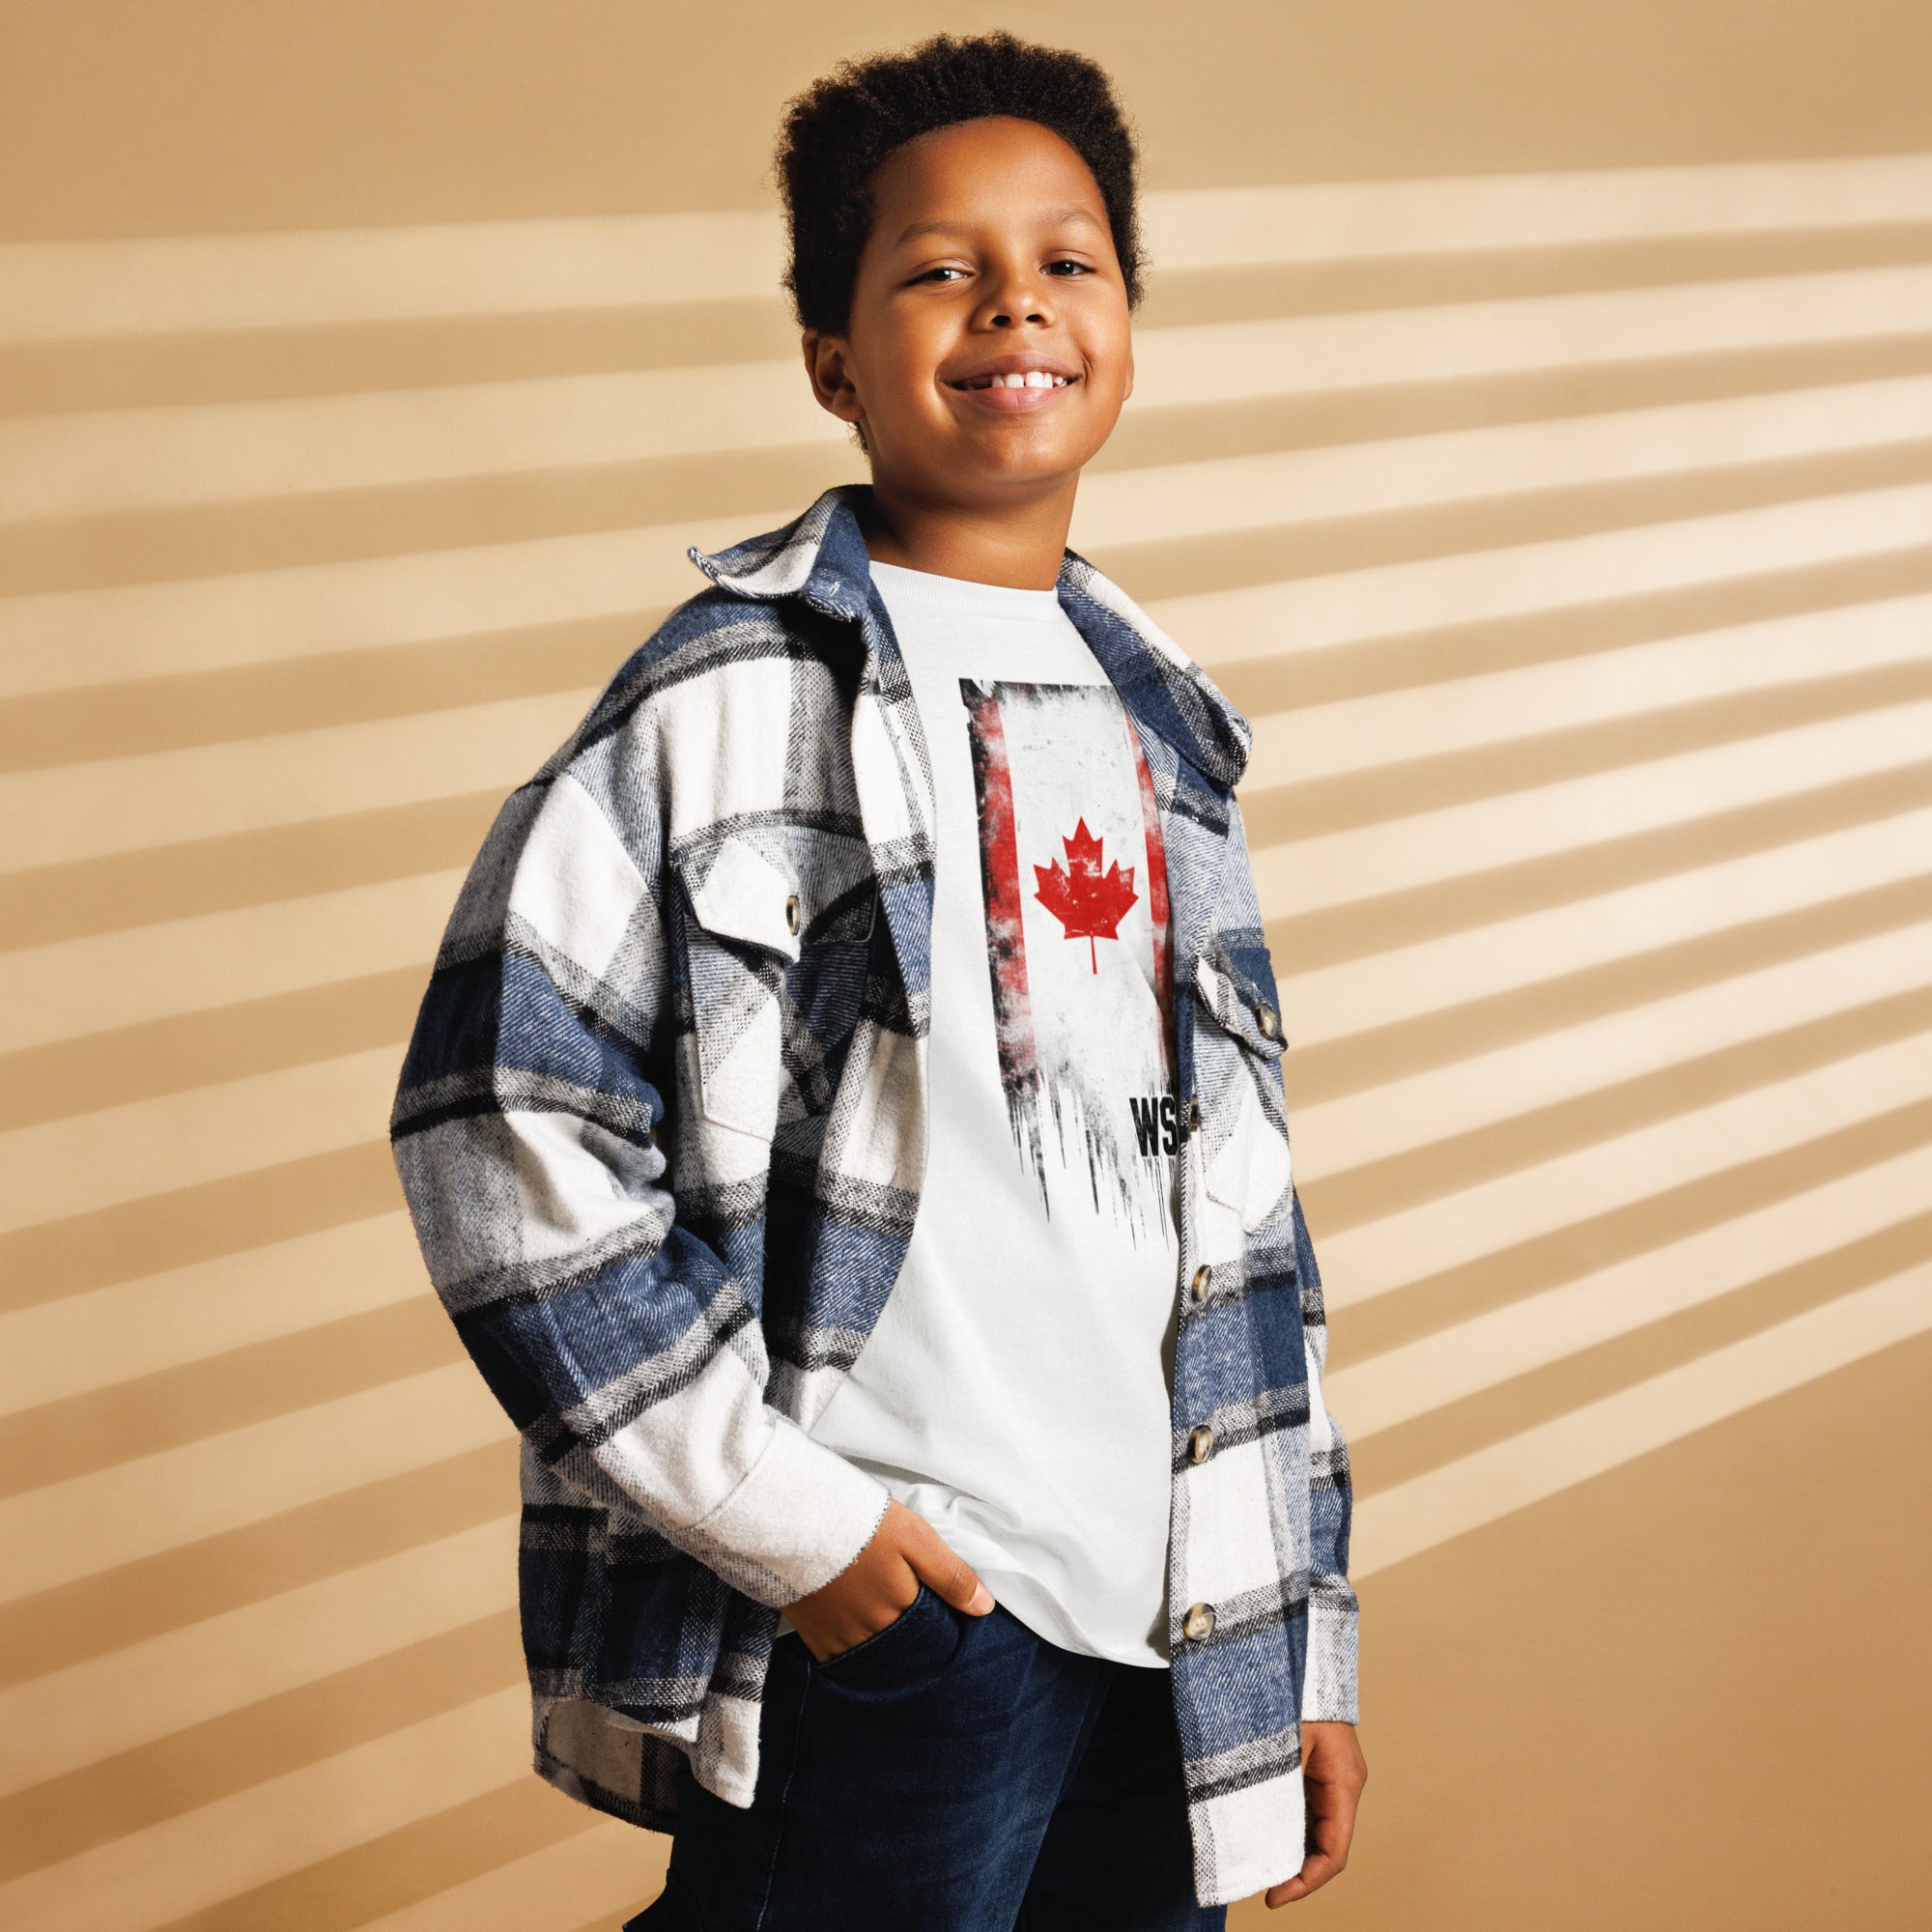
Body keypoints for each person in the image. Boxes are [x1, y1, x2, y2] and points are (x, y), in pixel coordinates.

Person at [388, 30, 1364, 1930]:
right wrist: (799, 1530)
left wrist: (1295, 1637)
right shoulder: (735, 693)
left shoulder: (1171, 738)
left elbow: (1244, 1226)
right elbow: (495, 1113)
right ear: (833, 355)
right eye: (937, 266)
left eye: (1067, 259)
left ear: (1128, 324)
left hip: (1161, 1628)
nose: (1012, 301)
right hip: (914, 1611)